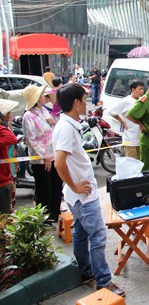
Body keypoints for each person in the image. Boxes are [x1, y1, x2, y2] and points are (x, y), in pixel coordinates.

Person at [53, 83, 124, 296]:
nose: (87, 103)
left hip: (78, 195)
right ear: (76, 103)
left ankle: (85, 272)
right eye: (84, 100)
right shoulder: (65, 128)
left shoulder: (69, 124)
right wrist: (74, 185)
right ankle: (104, 281)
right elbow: (59, 162)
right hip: (82, 196)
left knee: (82, 234)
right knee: (98, 236)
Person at [22, 84, 63, 223]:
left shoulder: (44, 111)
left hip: (53, 154)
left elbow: (53, 129)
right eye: (41, 95)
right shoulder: (28, 116)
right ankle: (43, 219)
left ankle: (54, 212)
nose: (44, 96)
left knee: (56, 185)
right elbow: (31, 140)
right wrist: (44, 157)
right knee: (44, 189)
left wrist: (52, 122)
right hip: (41, 159)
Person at [109, 80, 145, 159]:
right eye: (140, 89)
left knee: (140, 163)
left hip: (141, 137)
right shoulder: (126, 101)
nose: (142, 92)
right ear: (133, 89)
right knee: (132, 163)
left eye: (143, 89)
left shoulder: (142, 101)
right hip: (130, 139)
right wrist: (122, 121)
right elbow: (111, 111)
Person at [0, 99, 18, 214]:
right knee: (5, 217)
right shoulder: (3, 131)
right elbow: (12, 138)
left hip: (5, 179)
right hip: (3, 181)